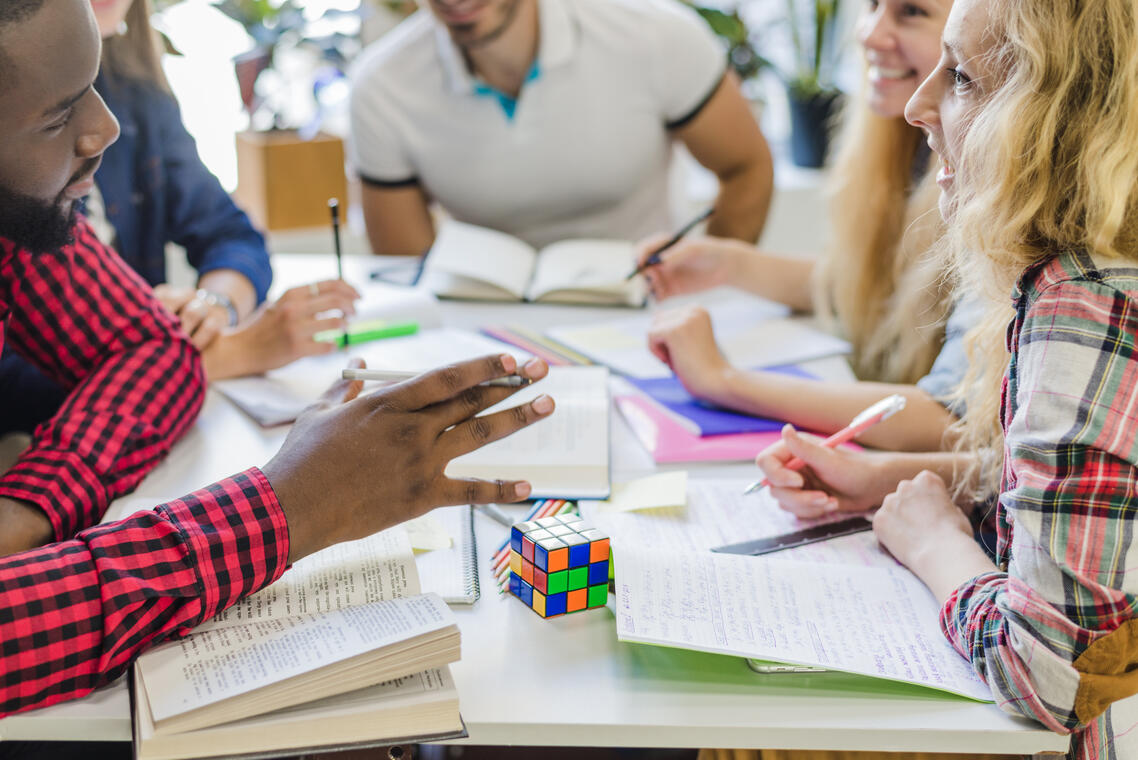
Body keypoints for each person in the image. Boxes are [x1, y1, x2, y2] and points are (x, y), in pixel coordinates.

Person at [0, 0, 554, 721]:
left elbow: (151, 347)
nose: (105, 128)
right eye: (59, 114)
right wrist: (287, 507)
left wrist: (30, 507)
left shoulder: (22, 218)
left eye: (93, 87)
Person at [765, 0, 1138, 755]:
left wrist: (935, 541)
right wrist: (893, 479)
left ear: (1054, 114)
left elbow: (1050, 672)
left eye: (962, 77)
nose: (916, 104)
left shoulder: (1088, 304)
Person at [0, 0, 361, 435]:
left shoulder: (137, 99)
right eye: (58, 118)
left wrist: (212, 309)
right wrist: (217, 356)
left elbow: (230, 232)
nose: (101, 130)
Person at [643, 0, 972, 456]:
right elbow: (878, 288)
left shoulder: (984, 176)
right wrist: (729, 265)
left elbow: (949, 418)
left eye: (911, 12)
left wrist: (723, 380)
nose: (870, 35)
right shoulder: (902, 144)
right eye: (872, 5)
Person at [348, 0, 774, 256]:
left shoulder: (656, 35)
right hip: (484, 335)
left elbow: (746, 167)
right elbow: (405, 264)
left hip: (645, 311)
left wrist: (711, 289)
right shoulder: (382, 87)